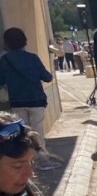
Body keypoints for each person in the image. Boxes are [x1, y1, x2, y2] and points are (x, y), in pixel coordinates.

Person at [0, 28, 59, 171]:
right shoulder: (32, 58)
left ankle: (27, 161)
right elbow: (47, 77)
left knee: (22, 134)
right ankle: (43, 160)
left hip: (17, 101)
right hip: (36, 99)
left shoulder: (4, 60)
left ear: (6, 43)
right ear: (24, 41)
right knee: (37, 131)